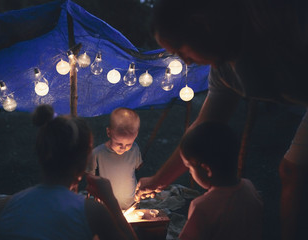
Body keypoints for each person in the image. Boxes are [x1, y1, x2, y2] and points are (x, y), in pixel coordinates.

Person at [135, 0, 308, 239]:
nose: (185, 61)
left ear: (200, 25)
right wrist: (157, 181)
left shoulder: (276, 22)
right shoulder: (224, 72)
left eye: (181, 50)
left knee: (294, 173)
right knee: (291, 171)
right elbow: (203, 127)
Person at [0, 104, 138, 240]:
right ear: (84, 160)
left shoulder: (4, 207)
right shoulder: (90, 212)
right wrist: (111, 203)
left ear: (40, 153)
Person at [179, 121, 263, 240]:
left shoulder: (202, 207)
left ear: (206, 169)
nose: (189, 172)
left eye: (189, 167)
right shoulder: (250, 188)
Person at [86, 107, 142, 210]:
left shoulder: (134, 149)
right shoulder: (98, 153)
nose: (124, 148)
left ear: (136, 135)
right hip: (107, 206)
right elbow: (90, 178)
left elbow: (137, 167)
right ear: (109, 132)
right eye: (119, 143)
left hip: (131, 204)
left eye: (128, 143)